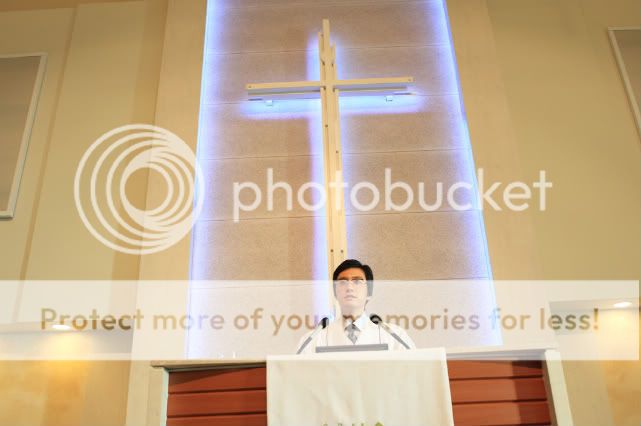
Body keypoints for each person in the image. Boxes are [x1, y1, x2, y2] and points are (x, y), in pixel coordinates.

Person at [296, 259, 416, 354]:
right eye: (342, 282)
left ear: (369, 292)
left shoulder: (395, 336)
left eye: (357, 282)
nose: (349, 287)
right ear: (335, 292)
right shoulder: (313, 340)